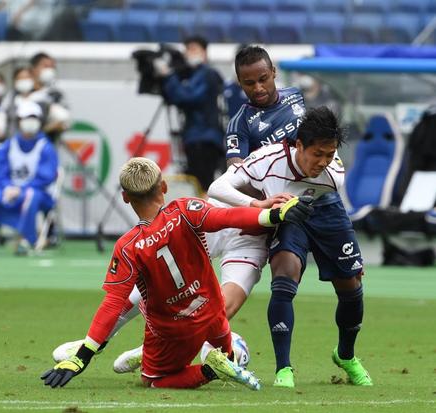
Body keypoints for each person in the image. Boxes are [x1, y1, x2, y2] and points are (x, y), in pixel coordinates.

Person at [40, 157, 312, 389]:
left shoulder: (128, 246)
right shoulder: (185, 208)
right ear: (164, 186)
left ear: (125, 197)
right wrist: (273, 216)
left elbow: (113, 303)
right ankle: (228, 356)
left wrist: (83, 356)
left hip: (173, 331)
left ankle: (208, 370)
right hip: (213, 313)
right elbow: (228, 218)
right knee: (223, 351)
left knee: (153, 380)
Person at [208, 106, 372, 388]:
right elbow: (217, 188)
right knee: (284, 275)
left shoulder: (334, 174)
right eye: (317, 154)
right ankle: (283, 368)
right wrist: (257, 204)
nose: (323, 161)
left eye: (329, 155)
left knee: (351, 286)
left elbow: (331, 201)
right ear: (299, 145)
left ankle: (345, 355)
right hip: (289, 214)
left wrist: (350, 253)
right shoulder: (268, 159)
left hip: (326, 211)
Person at [154, 35, 225, 194]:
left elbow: (189, 97)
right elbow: (175, 98)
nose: (189, 53)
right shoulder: (190, 75)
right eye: (187, 49)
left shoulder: (208, 74)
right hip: (194, 137)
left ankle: (204, 216)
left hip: (205, 138)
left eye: (194, 49)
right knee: (196, 185)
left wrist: (169, 75)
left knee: (203, 185)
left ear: (205, 52)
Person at [0, 100, 58, 255]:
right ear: (19, 121)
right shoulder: (8, 146)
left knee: (30, 197)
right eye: (26, 118)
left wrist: (21, 189)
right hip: (9, 190)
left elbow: (46, 177)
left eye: (33, 118)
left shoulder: (45, 147)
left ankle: (26, 240)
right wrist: (7, 187)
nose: (30, 122)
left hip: (38, 193)